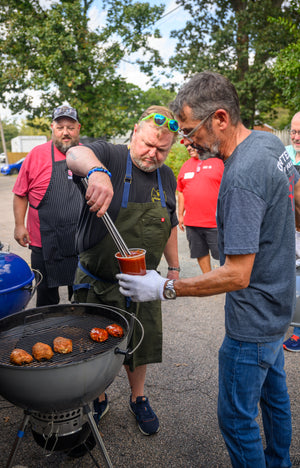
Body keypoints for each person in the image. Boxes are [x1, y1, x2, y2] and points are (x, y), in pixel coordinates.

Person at [116, 72, 300, 468]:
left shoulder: (240, 177)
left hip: (251, 322)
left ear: (219, 118)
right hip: (279, 307)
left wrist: (164, 287)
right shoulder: (270, 142)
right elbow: (298, 195)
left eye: (189, 130)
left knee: (236, 419)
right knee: (274, 399)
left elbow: (237, 275)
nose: (186, 141)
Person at [66, 105, 180, 438]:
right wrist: (97, 173)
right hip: (98, 282)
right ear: (134, 131)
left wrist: (173, 267)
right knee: (94, 347)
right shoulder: (110, 157)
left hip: (143, 285)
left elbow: (170, 224)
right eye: (147, 144)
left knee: (140, 345)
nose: (152, 154)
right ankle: (99, 397)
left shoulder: (166, 176)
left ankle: (138, 396)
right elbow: (76, 152)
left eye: (162, 149)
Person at [13, 105, 82, 307]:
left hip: (80, 241)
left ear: (78, 127)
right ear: (52, 127)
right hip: (43, 241)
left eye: (70, 127)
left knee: (81, 296)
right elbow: (20, 194)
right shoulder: (36, 154)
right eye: (60, 127)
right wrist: (19, 225)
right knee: (46, 297)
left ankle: (79, 332)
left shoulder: (88, 154)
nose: (65, 132)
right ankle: (46, 333)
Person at [177, 142, 223, 273]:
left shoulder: (218, 162)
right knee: (200, 252)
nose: (189, 148)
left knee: (222, 254)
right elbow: (180, 190)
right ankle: (208, 278)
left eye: (191, 144)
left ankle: (226, 279)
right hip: (192, 223)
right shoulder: (186, 165)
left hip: (215, 223)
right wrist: (180, 215)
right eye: (186, 146)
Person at [283, 111, 300, 352]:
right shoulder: (286, 154)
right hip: (290, 228)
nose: (296, 136)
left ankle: (298, 332)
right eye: (294, 131)